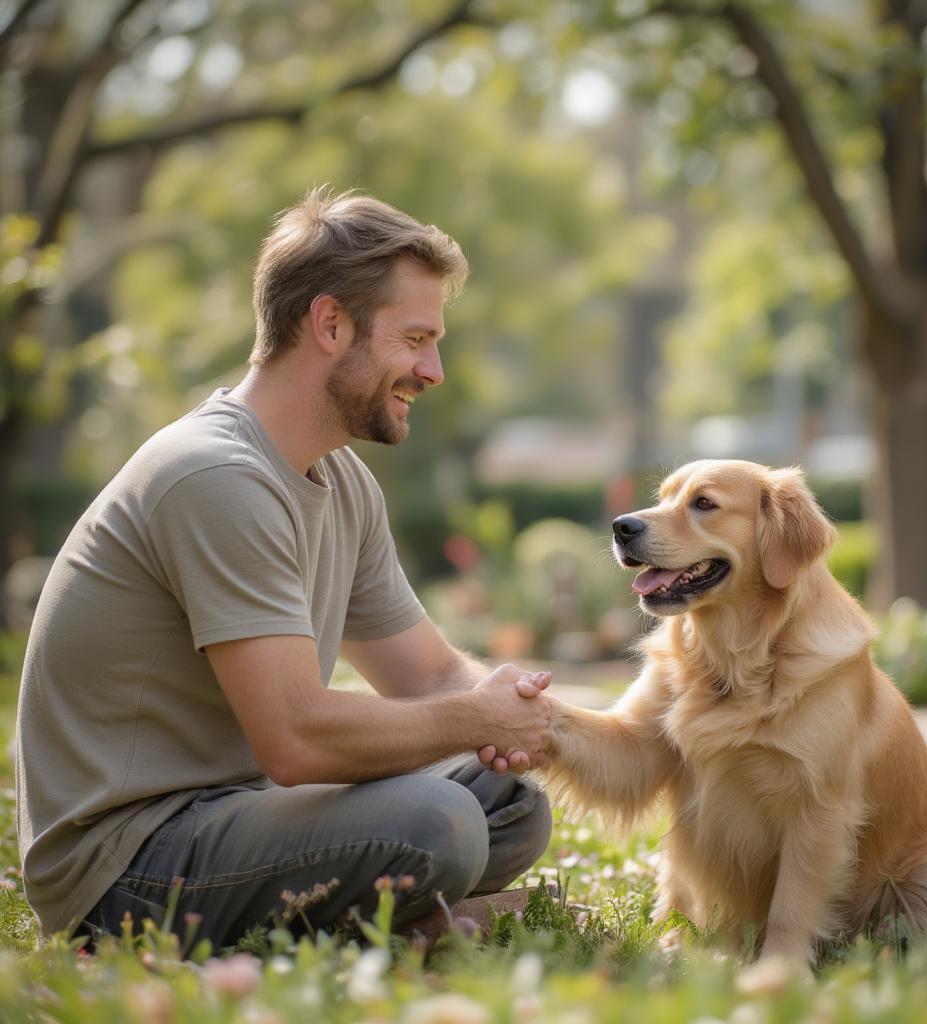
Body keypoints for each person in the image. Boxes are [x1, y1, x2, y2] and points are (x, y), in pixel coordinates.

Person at [14, 187, 553, 951]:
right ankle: (414, 932)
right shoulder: (214, 475)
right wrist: (477, 719)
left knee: (508, 803)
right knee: (441, 824)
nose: (433, 370)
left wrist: (547, 719)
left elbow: (432, 677)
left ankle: (408, 926)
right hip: (126, 866)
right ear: (331, 323)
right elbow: (296, 739)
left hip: (240, 817)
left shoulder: (341, 482)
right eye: (416, 338)